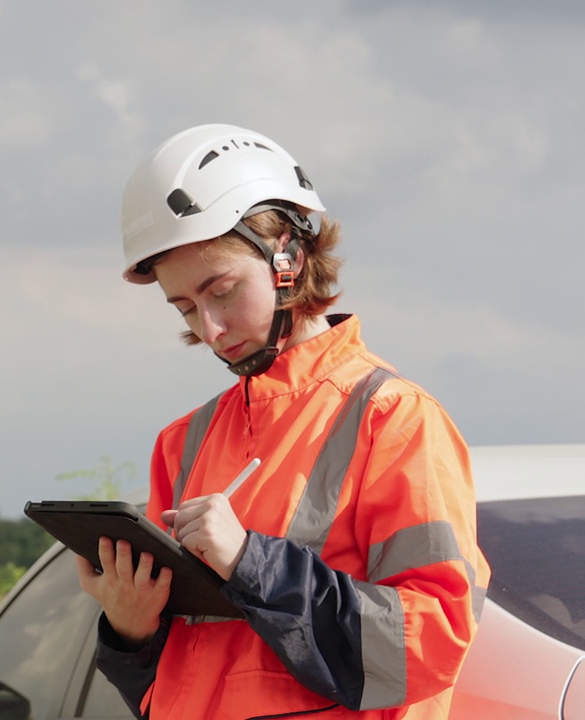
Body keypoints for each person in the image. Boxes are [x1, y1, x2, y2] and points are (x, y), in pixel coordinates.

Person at [77, 124, 490, 719]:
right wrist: (130, 631)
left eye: (221, 290)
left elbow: (429, 646)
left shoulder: (393, 419)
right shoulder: (182, 445)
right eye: (186, 307)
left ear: (289, 260)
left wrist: (251, 562)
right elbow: (168, 693)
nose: (210, 331)